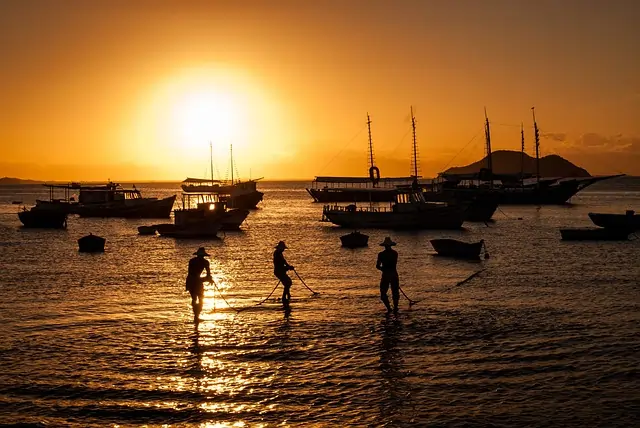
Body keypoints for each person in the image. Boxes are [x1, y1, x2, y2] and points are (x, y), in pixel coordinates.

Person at [185, 247, 212, 321]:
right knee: (200, 298)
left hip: (190, 281)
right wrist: (209, 279)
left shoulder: (191, 261)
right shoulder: (205, 262)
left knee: (194, 299)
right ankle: (196, 316)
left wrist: (206, 279)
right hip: (195, 281)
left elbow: (191, 273)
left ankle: (196, 316)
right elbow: (208, 275)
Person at [376, 237, 399, 314]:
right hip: (394, 275)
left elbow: (377, 266)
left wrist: (383, 269)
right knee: (395, 293)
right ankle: (395, 308)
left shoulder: (381, 254)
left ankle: (389, 309)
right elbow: (393, 264)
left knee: (383, 293)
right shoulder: (395, 253)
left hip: (386, 275)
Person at [273, 241, 294, 307]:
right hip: (279, 271)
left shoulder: (279, 253)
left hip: (281, 271)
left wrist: (288, 266)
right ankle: (284, 297)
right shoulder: (277, 254)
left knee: (287, 283)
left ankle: (287, 296)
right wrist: (287, 268)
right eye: (283, 249)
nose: (283, 250)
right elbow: (279, 265)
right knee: (288, 283)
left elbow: (284, 262)